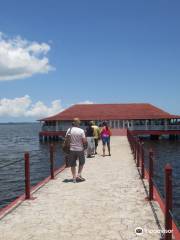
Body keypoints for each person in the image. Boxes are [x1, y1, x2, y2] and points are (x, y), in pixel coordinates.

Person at [65, 118, 87, 183]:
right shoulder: (81, 131)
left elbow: (66, 139)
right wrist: (85, 147)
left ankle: (74, 178)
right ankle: (79, 174)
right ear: (78, 123)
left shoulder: (69, 130)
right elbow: (84, 141)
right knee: (82, 162)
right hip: (80, 149)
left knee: (72, 164)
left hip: (71, 149)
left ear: (73, 123)